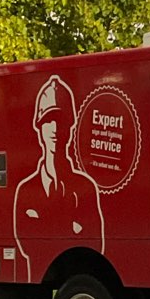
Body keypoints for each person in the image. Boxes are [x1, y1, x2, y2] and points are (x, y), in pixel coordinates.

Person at [13, 75, 104, 273]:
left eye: (60, 120)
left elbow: (94, 242)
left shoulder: (85, 188)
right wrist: (69, 228)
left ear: (70, 128)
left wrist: (45, 225)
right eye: (48, 120)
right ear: (38, 128)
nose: (54, 128)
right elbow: (27, 243)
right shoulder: (26, 190)